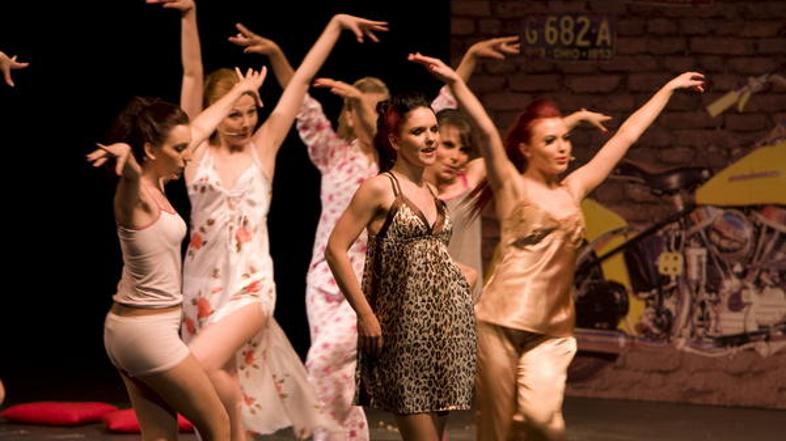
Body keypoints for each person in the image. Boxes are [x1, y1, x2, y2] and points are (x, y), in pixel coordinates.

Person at [412, 52, 704, 440]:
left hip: (552, 330)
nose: (563, 147)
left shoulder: (574, 188)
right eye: (550, 141)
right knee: (495, 431)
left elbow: (625, 137)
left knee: (542, 421)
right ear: (527, 150)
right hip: (498, 323)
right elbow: (485, 130)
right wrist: (456, 81)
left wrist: (667, 89)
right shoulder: (512, 186)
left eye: (565, 139)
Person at [150, 1, 389, 438]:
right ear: (216, 111)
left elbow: (300, 81)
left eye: (251, 111)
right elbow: (191, 76)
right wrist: (189, 18)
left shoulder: (264, 146)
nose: (244, 122)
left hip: (251, 286)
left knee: (200, 365)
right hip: (201, 289)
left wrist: (334, 25)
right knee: (220, 380)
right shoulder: (195, 152)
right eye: (234, 113)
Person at [86, 65, 265, 441]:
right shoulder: (134, 197)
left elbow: (199, 127)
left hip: (128, 332)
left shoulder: (158, 180)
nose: (189, 155)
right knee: (217, 424)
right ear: (151, 150)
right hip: (148, 334)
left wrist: (239, 91)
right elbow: (130, 179)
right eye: (180, 149)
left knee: (160, 437)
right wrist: (127, 161)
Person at [326, 92, 475, 441]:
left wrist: (462, 275)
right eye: (419, 132)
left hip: (446, 332)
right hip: (402, 336)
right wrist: (365, 314)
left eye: (434, 129)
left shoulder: (432, 191)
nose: (431, 138)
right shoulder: (379, 188)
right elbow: (335, 249)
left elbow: (428, 256)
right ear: (395, 140)